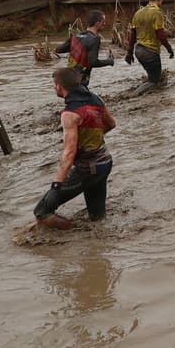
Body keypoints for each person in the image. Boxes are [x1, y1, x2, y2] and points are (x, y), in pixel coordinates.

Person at [32, 67, 116, 229]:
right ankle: (98, 244)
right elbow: (111, 124)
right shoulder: (95, 99)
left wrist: (56, 186)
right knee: (97, 216)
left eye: (54, 84)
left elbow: (69, 154)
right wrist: (92, 141)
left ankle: (73, 236)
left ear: (59, 86)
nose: (53, 87)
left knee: (42, 212)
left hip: (87, 169)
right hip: (105, 163)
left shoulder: (69, 114)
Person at [126, 0, 174, 93]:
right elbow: (160, 35)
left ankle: (148, 95)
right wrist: (169, 49)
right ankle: (134, 95)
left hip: (138, 51)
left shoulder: (138, 13)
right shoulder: (157, 12)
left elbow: (133, 34)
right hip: (151, 52)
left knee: (152, 76)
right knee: (153, 81)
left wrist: (129, 53)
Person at [54, 10, 114, 87]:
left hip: (70, 77)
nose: (104, 24)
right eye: (103, 22)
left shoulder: (76, 36)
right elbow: (93, 62)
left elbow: (59, 50)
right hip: (81, 80)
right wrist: (109, 61)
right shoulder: (94, 39)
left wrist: (77, 49)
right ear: (97, 24)